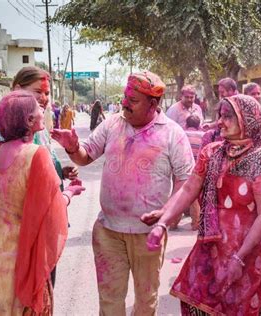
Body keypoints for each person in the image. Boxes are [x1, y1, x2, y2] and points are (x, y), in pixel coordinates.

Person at [50, 71, 194, 315]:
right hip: (108, 232)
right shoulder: (113, 123)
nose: (125, 103)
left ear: (153, 103)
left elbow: (185, 181)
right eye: (125, 97)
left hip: (148, 235)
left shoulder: (173, 134)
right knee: (109, 301)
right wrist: (73, 147)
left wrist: (166, 214)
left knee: (145, 302)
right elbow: (86, 156)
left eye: (133, 100)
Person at [143, 94, 261, 315]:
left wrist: (239, 258)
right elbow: (189, 189)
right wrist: (163, 222)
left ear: (247, 120)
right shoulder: (213, 153)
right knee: (196, 303)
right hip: (209, 248)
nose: (220, 121)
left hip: (244, 255)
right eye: (220, 115)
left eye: (228, 116)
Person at [0, 90, 85, 315]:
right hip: (25, 259)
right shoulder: (36, 155)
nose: (43, 109)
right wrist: (70, 191)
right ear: (30, 121)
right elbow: (52, 209)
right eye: (38, 109)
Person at [0, 66, 78, 194]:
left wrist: (59, 172)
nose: (44, 98)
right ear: (17, 90)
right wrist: (68, 195)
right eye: (38, 91)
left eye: (47, 93)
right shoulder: (8, 131)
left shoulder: (39, 126)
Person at [183, 115, 205, 230]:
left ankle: (172, 222)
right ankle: (196, 222)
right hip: (197, 168)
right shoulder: (203, 136)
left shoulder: (182, 134)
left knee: (179, 194)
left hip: (183, 168)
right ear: (199, 125)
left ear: (186, 124)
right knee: (194, 195)